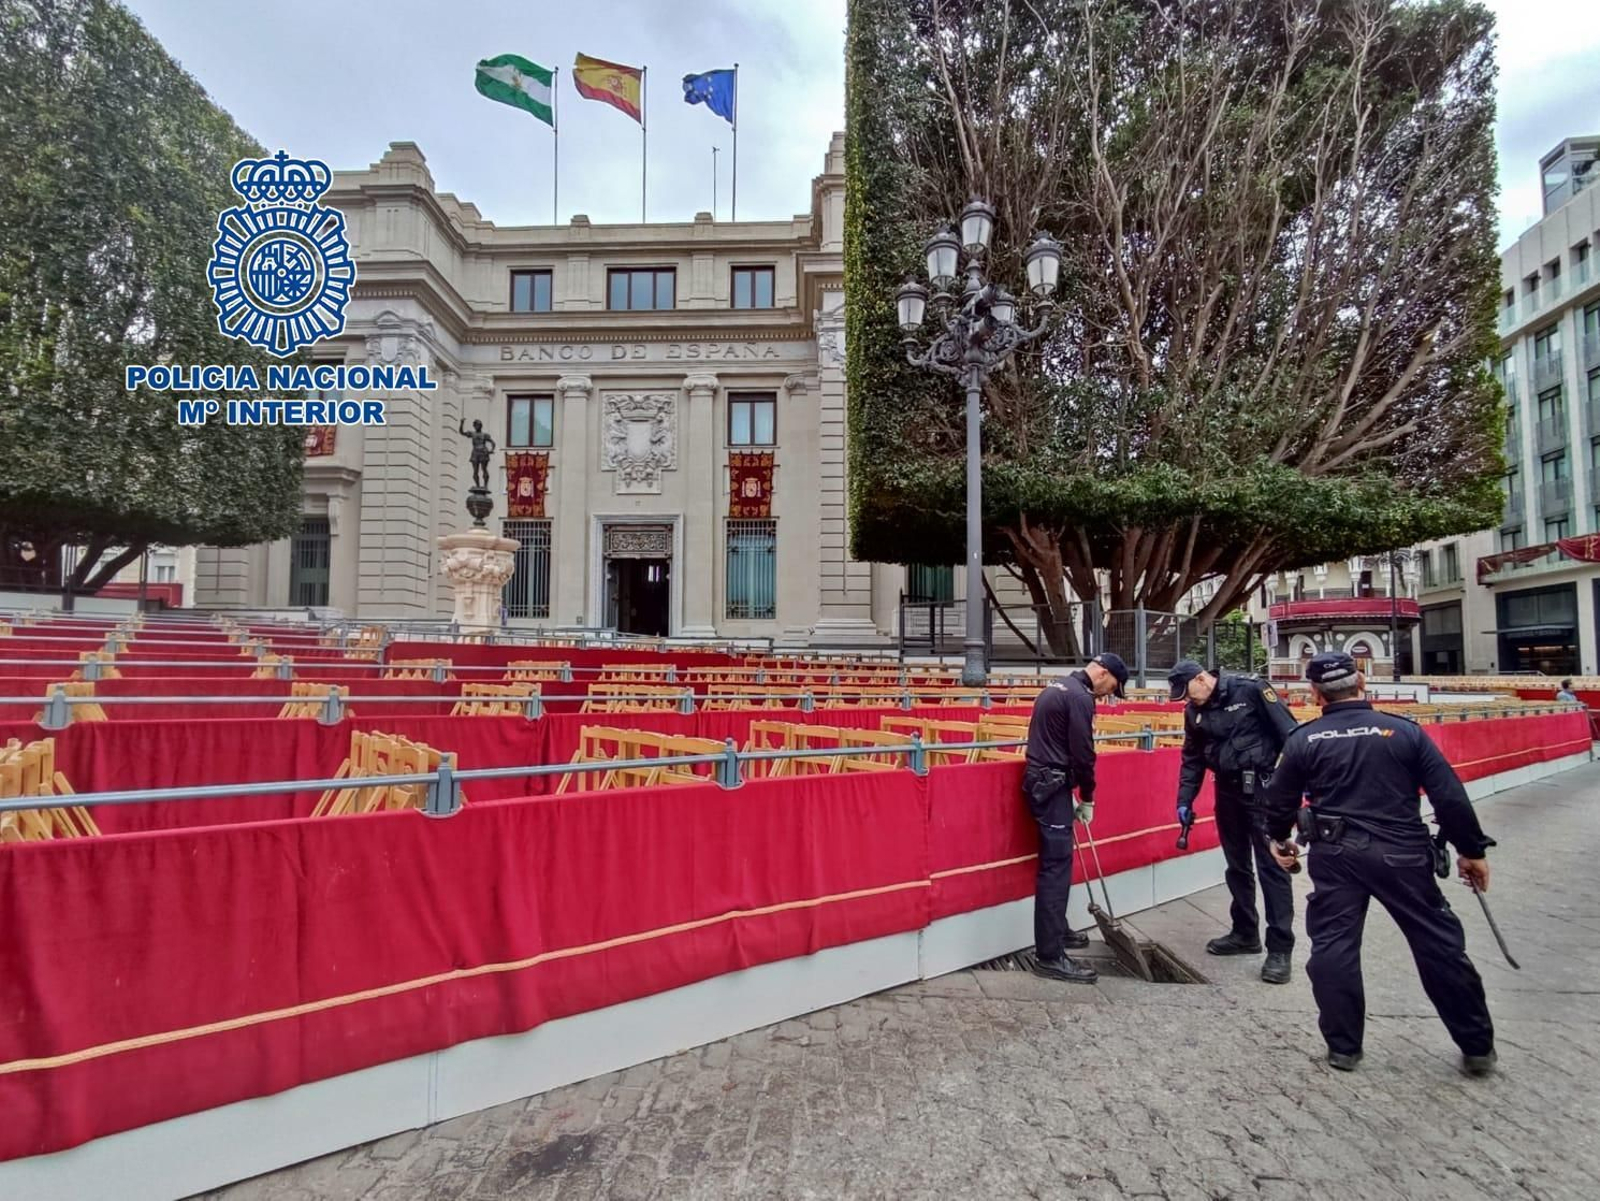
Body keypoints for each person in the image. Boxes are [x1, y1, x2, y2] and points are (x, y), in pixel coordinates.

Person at [1263, 652, 1497, 1076]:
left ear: (1314, 693)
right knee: (1439, 946)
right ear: (1362, 683)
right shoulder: (1405, 732)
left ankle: (1343, 1048)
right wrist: (1472, 851)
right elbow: (1449, 796)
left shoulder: (1304, 739)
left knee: (1333, 946)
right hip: (1403, 853)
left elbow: (1278, 801)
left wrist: (1279, 840)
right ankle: (1476, 1045)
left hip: (1335, 855)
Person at [1168, 659, 1301, 983]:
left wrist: (1286, 791)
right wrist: (1184, 800)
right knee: (1236, 866)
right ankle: (1245, 932)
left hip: (1262, 790)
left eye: (1190, 692)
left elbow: (1292, 738)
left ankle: (1280, 949)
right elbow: (1192, 758)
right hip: (1227, 792)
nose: (1189, 700)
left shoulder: (1251, 691)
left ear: (1202, 678)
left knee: (1272, 869)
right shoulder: (1194, 711)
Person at [1022, 652, 1130, 984]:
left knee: (1058, 864)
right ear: (1103, 673)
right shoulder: (1080, 698)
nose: (1109, 694)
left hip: (1043, 781)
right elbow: (1084, 753)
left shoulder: (1056, 687)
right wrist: (1089, 794)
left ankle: (1059, 930)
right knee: (1056, 869)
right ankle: (1050, 955)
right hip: (1053, 787)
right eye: (1112, 687)